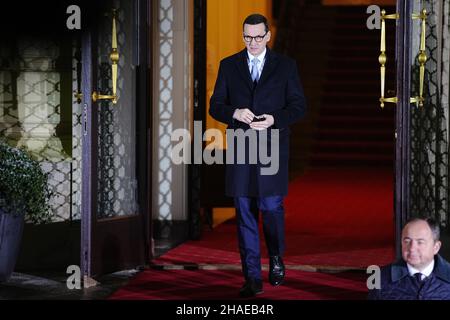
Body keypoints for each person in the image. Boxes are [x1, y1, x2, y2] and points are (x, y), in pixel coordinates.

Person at [209, 13, 306, 297]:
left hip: (273, 146)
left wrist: (275, 119)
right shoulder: (229, 66)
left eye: (257, 37)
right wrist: (235, 112)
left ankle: (275, 255)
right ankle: (251, 276)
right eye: (247, 37)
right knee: (244, 213)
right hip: (240, 145)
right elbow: (216, 106)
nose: (252, 42)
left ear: (267, 36)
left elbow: (299, 107)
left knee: (271, 207)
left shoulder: (286, 67)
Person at [368, 217, 450, 300]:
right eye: (407, 241)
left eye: (420, 242)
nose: (412, 248)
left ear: (436, 247)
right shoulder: (380, 277)